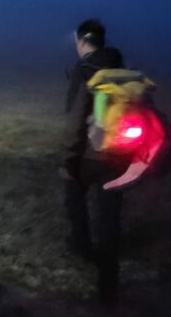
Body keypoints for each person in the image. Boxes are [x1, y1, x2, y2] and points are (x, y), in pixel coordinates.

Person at [61, 19, 129, 304]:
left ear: (81, 42)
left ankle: (82, 245)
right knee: (109, 216)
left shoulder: (84, 69)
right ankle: (108, 289)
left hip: (91, 154)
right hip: (120, 154)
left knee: (72, 188)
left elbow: (75, 117)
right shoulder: (121, 69)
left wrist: (68, 157)